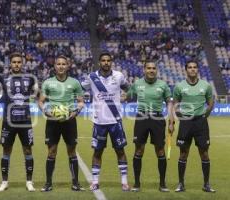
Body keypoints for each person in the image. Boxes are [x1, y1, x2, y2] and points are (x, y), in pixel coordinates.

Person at [81, 52, 130, 191]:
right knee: (97, 152)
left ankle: (124, 182)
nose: (106, 63)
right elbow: (79, 88)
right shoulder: (92, 77)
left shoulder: (119, 76)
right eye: (103, 60)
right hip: (99, 122)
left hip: (115, 121)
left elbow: (129, 88)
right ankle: (95, 181)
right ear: (99, 62)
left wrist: (126, 96)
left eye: (108, 60)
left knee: (120, 150)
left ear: (111, 62)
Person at [38, 55, 85, 192]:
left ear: (68, 66)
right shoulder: (47, 82)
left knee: (71, 151)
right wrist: (46, 111)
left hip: (70, 121)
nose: (61, 66)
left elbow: (81, 101)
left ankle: (75, 183)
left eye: (63, 64)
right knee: (51, 152)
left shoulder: (75, 82)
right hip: (52, 122)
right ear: (55, 66)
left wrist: (76, 112)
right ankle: (48, 183)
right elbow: (40, 102)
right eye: (58, 64)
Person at [127, 60, 174, 192]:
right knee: (139, 150)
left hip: (158, 118)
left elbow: (170, 104)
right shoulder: (137, 84)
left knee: (160, 150)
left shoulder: (163, 85)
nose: (151, 70)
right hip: (141, 118)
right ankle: (136, 183)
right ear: (144, 70)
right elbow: (127, 96)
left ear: (156, 70)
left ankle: (163, 184)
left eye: (153, 68)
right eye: (149, 68)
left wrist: (171, 122)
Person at [0, 52, 38, 192]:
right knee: (6, 150)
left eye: (19, 62)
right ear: (10, 64)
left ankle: (29, 181)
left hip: (25, 121)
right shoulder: (3, 78)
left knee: (27, 150)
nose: (17, 64)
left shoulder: (30, 78)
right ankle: (4, 181)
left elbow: (38, 94)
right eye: (14, 62)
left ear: (22, 63)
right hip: (9, 121)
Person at [173, 60, 215, 193]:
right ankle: (181, 184)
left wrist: (204, 116)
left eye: (195, 67)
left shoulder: (206, 85)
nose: (192, 69)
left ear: (198, 69)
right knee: (183, 153)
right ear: (186, 70)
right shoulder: (179, 86)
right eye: (190, 67)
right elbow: (175, 104)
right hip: (186, 122)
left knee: (204, 153)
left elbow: (210, 103)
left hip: (200, 123)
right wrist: (181, 117)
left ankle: (206, 184)